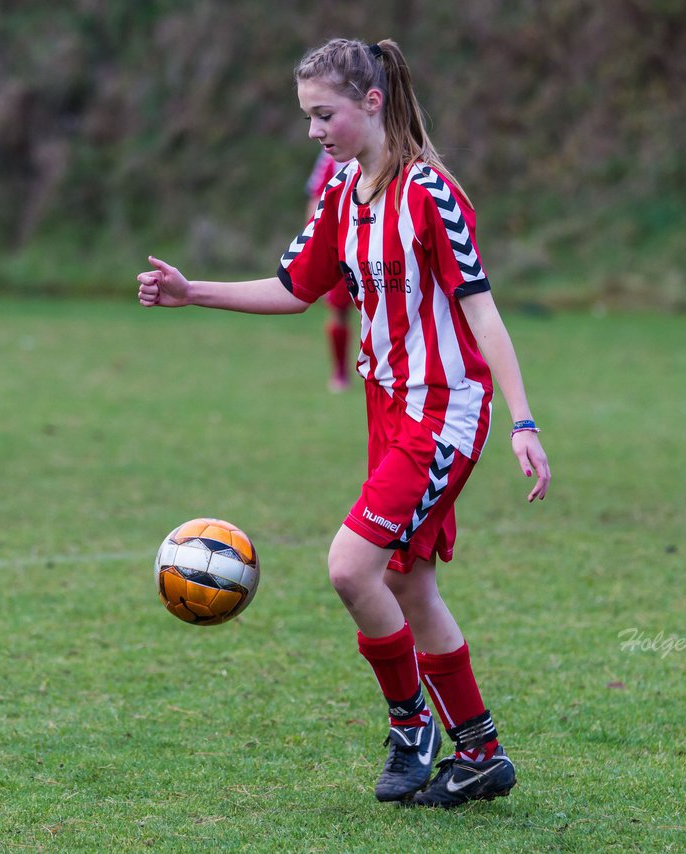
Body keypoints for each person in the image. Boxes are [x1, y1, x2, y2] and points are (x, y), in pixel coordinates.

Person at [138, 37, 550, 808]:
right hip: (387, 409)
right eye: (306, 116)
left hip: (445, 408)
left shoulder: (430, 194)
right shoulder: (339, 195)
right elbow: (295, 287)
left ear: (371, 102)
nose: (312, 131)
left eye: (323, 113)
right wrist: (194, 293)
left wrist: (523, 421)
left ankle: (411, 728)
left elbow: (483, 312)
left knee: (350, 568)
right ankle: (480, 752)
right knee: (409, 582)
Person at [304, 150, 356, 391]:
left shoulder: (389, 152)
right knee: (339, 310)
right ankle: (340, 373)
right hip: (341, 246)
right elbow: (316, 199)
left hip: (376, 244)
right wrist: (313, 245)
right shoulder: (331, 156)